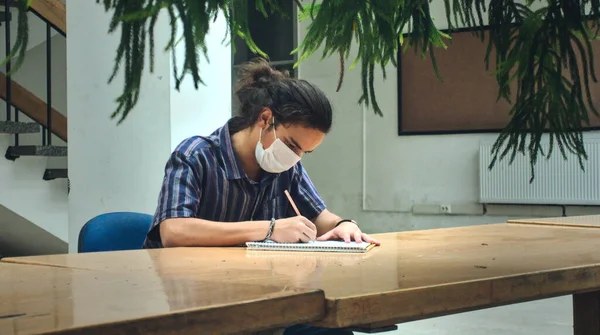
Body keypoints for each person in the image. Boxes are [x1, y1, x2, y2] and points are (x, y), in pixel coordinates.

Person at [143, 58, 380, 334]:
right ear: (265, 118)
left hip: (257, 299)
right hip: (191, 305)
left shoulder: (285, 166)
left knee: (335, 328)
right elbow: (174, 232)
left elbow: (320, 217)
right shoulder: (196, 155)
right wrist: (270, 229)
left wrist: (344, 226)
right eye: (292, 145)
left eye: (304, 152)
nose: (295, 157)